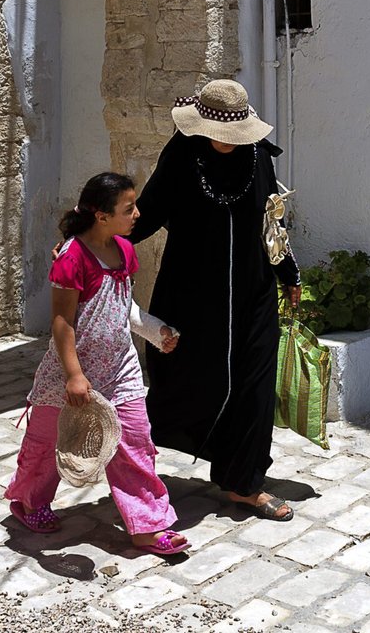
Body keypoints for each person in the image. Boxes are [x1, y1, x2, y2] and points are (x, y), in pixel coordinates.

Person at [131, 79, 302, 521]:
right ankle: (133, 461)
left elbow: (272, 223)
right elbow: (144, 216)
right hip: (192, 294)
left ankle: (244, 484)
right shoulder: (182, 155)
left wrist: (288, 273)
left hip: (254, 292)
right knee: (186, 379)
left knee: (254, 388)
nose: (227, 140)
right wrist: (89, 243)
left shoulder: (259, 155)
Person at [4, 172, 190, 555]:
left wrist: (157, 332)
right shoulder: (72, 258)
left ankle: (148, 525)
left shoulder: (124, 250)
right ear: (101, 216)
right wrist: (74, 375)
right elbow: (62, 322)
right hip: (69, 375)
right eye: (128, 208)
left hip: (119, 370)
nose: (137, 213)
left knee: (135, 443)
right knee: (45, 444)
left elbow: (124, 308)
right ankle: (29, 501)